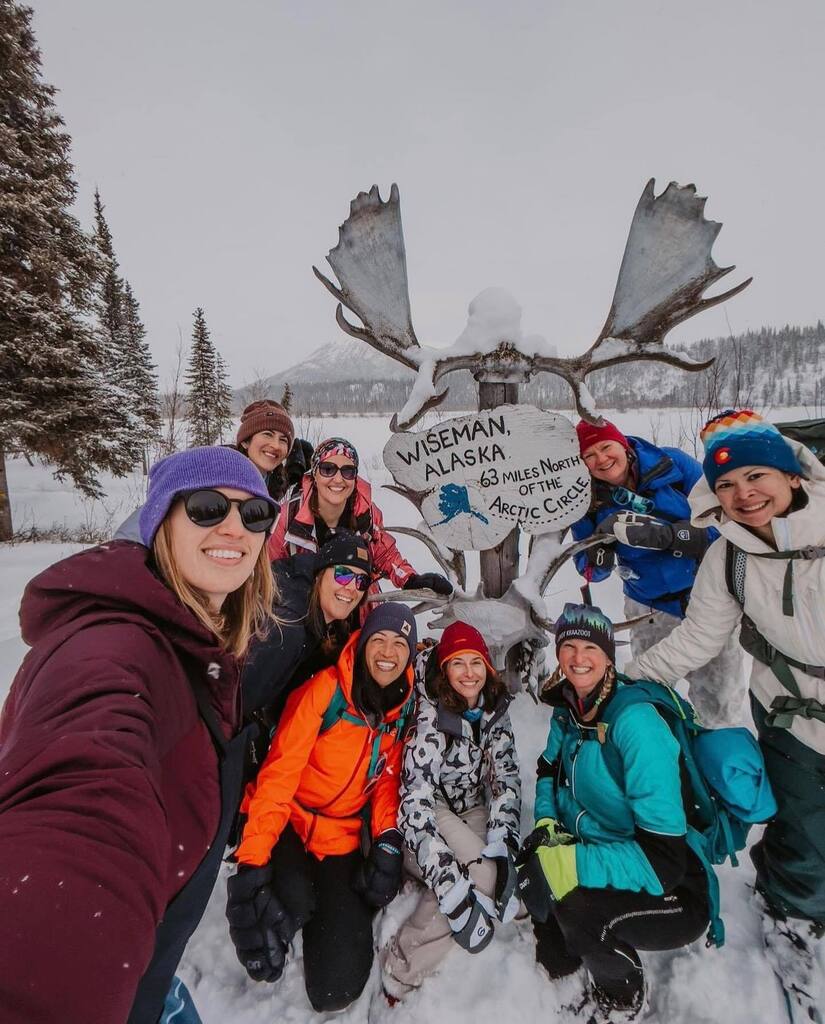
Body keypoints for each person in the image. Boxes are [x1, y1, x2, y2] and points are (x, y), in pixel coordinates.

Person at [0, 447, 279, 1024]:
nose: (235, 526)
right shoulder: (110, 648)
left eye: (255, 515)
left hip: (151, 976)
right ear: (159, 523)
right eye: (206, 508)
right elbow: (82, 809)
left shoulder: (196, 642)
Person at [626, 409, 825, 1018]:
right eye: (729, 486)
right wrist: (623, 680)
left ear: (793, 475)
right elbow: (698, 639)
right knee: (803, 824)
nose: (745, 494)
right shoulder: (728, 557)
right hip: (790, 708)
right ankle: (796, 918)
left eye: (757, 476)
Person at [518, 603, 710, 1022]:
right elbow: (548, 768)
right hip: (607, 847)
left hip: (675, 887)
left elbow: (662, 863)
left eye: (591, 646)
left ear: (609, 657)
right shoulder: (570, 706)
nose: (578, 657)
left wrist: (568, 863)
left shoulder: (636, 726)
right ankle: (570, 969)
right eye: (569, 645)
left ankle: (620, 1000)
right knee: (547, 912)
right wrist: (548, 827)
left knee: (578, 911)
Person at [225, 603, 418, 1013]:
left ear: (410, 655)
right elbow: (278, 777)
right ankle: (295, 896)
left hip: (341, 836)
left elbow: (386, 780)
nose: (388, 651)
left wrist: (387, 840)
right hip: (290, 820)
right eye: (379, 639)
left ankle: (318, 913)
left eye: (400, 643)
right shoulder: (326, 691)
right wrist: (252, 865)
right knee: (286, 905)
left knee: (336, 989)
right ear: (363, 643)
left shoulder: (399, 711)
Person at [381, 621, 521, 998]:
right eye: (457, 663)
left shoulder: (493, 709)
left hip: (470, 805)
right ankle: (402, 966)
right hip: (428, 815)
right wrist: (445, 876)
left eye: (475, 662)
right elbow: (416, 802)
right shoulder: (432, 718)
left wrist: (505, 838)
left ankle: (457, 883)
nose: (468, 673)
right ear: (444, 669)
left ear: (487, 668)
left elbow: (506, 776)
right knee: (480, 881)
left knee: (499, 875)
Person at [572, 417, 743, 725]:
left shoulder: (673, 466)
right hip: (648, 609)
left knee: (718, 703)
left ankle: (716, 758)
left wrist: (675, 537)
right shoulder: (588, 498)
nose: (601, 459)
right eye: (589, 455)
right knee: (653, 698)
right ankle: (668, 763)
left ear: (622, 444)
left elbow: (730, 522)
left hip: (707, 600)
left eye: (606, 447)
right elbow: (588, 571)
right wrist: (599, 554)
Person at [268, 435, 452, 597]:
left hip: (357, 601)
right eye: (328, 469)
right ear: (314, 473)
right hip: (306, 607)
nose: (338, 479)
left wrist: (411, 579)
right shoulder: (288, 517)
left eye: (347, 471)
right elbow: (270, 573)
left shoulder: (366, 512)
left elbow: (384, 554)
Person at [241, 529, 372, 728]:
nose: (352, 587)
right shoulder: (287, 630)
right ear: (320, 574)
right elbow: (236, 703)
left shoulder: (305, 605)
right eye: (343, 574)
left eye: (362, 581)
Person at [235, 399, 313, 501]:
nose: (276, 445)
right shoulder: (224, 480)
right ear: (245, 442)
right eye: (267, 434)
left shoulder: (273, 480)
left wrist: (292, 474)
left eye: (283, 440)